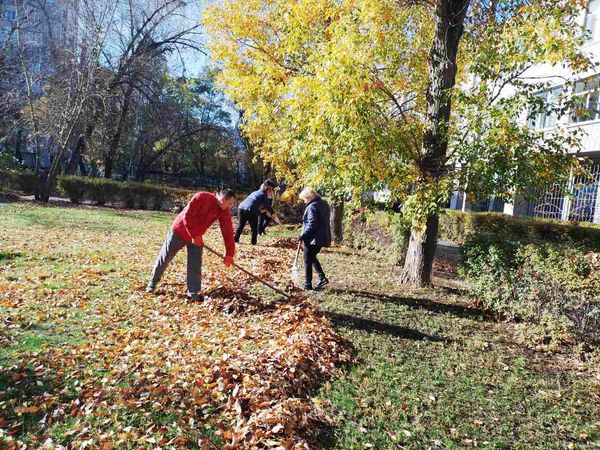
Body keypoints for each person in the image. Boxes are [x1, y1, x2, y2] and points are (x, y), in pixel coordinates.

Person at [146, 189, 236, 302]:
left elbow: (227, 231)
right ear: (223, 199)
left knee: (195, 264)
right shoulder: (202, 197)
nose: (231, 207)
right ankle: (152, 284)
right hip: (179, 231)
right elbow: (187, 216)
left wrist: (229, 253)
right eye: (230, 203)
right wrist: (194, 235)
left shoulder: (224, 210)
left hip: (196, 237)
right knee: (165, 257)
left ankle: (193, 292)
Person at [299, 188, 331, 290]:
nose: (304, 201)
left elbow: (312, 225)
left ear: (310, 197)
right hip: (323, 236)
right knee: (312, 257)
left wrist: (303, 235)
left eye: (305, 199)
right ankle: (322, 278)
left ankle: (307, 284)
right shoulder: (324, 203)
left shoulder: (312, 207)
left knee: (307, 259)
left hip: (314, 238)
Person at [235, 180, 280, 245]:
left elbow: (256, 204)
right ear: (268, 188)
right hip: (251, 210)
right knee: (254, 228)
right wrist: (275, 217)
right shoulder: (263, 195)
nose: (270, 191)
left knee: (241, 225)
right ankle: (253, 243)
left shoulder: (255, 192)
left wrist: (262, 211)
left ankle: (235, 240)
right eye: (270, 189)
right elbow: (269, 207)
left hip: (241, 208)